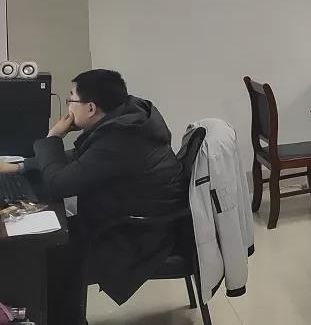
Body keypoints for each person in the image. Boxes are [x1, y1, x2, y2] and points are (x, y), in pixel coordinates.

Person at [0, 69, 186, 325]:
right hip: (130, 217)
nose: (68, 107)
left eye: (71, 99)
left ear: (90, 108)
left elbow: (58, 185)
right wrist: (19, 167)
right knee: (49, 241)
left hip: (137, 235)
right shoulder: (127, 119)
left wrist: (53, 137)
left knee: (49, 252)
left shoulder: (120, 138)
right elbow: (83, 160)